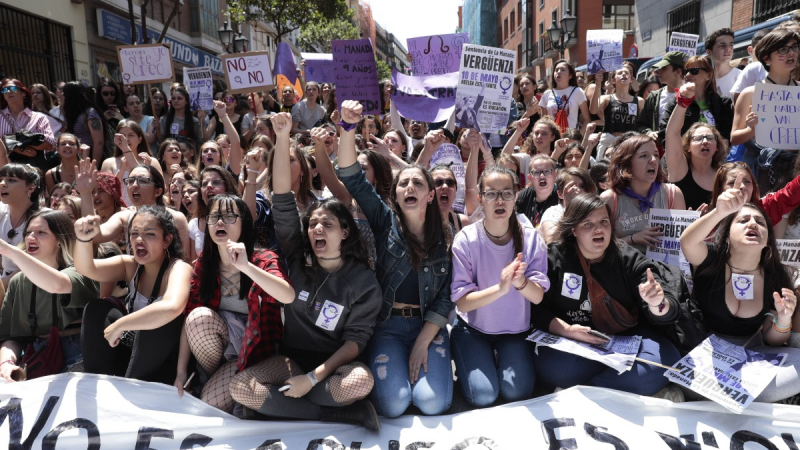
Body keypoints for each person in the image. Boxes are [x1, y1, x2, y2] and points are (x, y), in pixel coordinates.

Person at [230, 113, 382, 430]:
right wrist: (283, 135)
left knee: (360, 383)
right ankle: (334, 414)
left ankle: (283, 406)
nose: (317, 230)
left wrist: (313, 379)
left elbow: (355, 343)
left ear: (345, 233)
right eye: (312, 224)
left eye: (327, 224)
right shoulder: (296, 257)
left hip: (334, 367)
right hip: (289, 361)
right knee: (239, 388)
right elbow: (283, 198)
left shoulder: (363, 281)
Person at [337, 100, 454, 419]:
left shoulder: (445, 234)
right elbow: (350, 174)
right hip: (387, 327)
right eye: (404, 183)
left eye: (418, 182)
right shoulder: (383, 218)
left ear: (430, 195)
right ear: (397, 194)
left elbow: (446, 296)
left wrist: (421, 342)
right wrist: (348, 127)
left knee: (432, 403)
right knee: (393, 404)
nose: (410, 187)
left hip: (427, 327)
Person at [532, 194, 683, 399]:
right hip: (575, 344)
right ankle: (620, 388)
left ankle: (585, 392)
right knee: (555, 367)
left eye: (604, 222)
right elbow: (536, 309)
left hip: (625, 340)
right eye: (588, 223)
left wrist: (657, 303)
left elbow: (666, 307)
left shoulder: (627, 258)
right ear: (573, 230)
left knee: (666, 361)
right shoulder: (555, 257)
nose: (598, 229)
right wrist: (567, 330)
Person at [681, 178, 800, 402]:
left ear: (767, 240)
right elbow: (687, 242)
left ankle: (736, 399)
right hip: (704, 356)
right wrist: (719, 212)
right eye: (743, 220)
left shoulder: (776, 275)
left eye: (760, 222)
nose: (753, 224)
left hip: (750, 357)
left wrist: (783, 320)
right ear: (727, 235)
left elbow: (772, 339)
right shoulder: (711, 259)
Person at [177, 194, 292, 412]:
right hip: (220, 351)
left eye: (229, 216)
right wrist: (181, 371)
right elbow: (188, 316)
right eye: (214, 216)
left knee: (209, 403)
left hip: (256, 351)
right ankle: (212, 380)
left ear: (244, 223)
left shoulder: (263, 258)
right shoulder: (205, 262)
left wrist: (246, 267)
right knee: (197, 318)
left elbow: (287, 295)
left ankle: (223, 387)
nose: (220, 222)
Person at [450, 165, 548, 407]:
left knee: (517, 393)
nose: (499, 200)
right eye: (491, 193)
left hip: (514, 333)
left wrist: (520, 282)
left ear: (516, 196)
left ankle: (498, 360)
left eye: (506, 193)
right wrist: (501, 288)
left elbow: (537, 297)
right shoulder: (465, 239)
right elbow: (462, 301)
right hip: (473, 330)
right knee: (483, 396)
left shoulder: (531, 238)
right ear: (480, 199)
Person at [76, 206, 192, 383]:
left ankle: (130, 389)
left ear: (167, 240)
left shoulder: (179, 268)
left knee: (158, 318)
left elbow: (171, 307)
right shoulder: (129, 265)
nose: (139, 239)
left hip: (163, 365)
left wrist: (120, 325)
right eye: (134, 233)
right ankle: (95, 381)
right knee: (97, 309)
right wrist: (83, 240)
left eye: (149, 234)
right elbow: (86, 268)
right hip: (130, 352)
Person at [0, 210, 99, 382]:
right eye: (28, 233)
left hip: (80, 356)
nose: (31, 237)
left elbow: (58, 285)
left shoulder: (81, 271)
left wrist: (9, 251)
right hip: (38, 357)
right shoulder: (18, 282)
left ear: (60, 241)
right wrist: (7, 363)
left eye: (41, 232)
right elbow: (11, 338)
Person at [730, 28, 800, 192]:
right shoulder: (750, 94)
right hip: (764, 173)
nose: (791, 53)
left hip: (796, 172)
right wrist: (751, 129)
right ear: (767, 58)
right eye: (783, 49)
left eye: (795, 47)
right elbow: (734, 138)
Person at [601, 134, 686, 253]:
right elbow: (600, 245)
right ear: (627, 163)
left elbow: (682, 246)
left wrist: (692, 227)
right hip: (625, 269)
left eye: (656, 155)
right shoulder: (610, 199)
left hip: (665, 269)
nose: (653, 160)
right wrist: (632, 239)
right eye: (644, 156)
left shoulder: (672, 194)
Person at [659, 56, 733, 144]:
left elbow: (727, 135)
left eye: (694, 71)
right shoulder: (676, 103)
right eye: (685, 71)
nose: (688, 75)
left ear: (708, 75)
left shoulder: (723, 103)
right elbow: (665, 133)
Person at [0, 163, 45, 287]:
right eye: (1, 179)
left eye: (12, 180)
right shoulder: (1, 211)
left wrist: (3, 286)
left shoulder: (44, 219)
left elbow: (36, 263)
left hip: (31, 285)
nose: (2, 184)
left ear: (31, 188)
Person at [590, 64, 643, 158]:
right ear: (613, 80)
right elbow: (593, 110)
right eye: (620, 73)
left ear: (631, 80)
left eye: (626, 73)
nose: (623, 74)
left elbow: (643, 124)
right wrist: (598, 84)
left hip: (630, 144)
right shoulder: (606, 98)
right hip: (609, 144)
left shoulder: (639, 101)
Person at [0, 79, 56, 167]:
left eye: (13, 88)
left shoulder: (39, 117)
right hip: (5, 169)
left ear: (24, 93)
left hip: (34, 168)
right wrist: (16, 147)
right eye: (4, 90)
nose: (8, 92)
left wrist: (14, 143)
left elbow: (49, 143)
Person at [637, 51, 686, 143]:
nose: (659, 71)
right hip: (660, 150)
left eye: (664, 68)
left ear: (678, 71)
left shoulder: (691, 95)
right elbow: (641, 124)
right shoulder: (653, 96)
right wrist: (649, 133)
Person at [539, 167, 596, 243]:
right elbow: (553, 242)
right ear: (560, 194)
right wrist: (569, 207)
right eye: (572, 186)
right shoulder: (552, 213)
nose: (578, 190)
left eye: (582, 186)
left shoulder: (596, 211)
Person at [538, 60, 590, 133]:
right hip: (552, 139)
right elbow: (543, 121)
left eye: (563, 70)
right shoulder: (547, 93)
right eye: (556, 70)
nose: (558, 72)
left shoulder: (578, 91)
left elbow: (587, 120)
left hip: (571, 139)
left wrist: (578, 137)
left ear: (570, 75)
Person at [61, 81, 107, 163]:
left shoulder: (90, 113)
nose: (61, 96)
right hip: (77, 157)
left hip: (90, 157)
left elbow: (99, 142)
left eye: (64, 94)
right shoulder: (71, 114)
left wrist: (94, 166)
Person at [515, 154, 559, 227]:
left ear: (555, 174)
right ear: (530, 177)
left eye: (547, 171)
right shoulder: (522, 197)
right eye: (536, 172)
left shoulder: (562, 197)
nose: (542, 176)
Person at [705, 28, 741, 99]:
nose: (728, 49)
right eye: (722, 45)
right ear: (709, 51)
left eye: (731, 45)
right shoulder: (703, 78)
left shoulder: (741, 77)